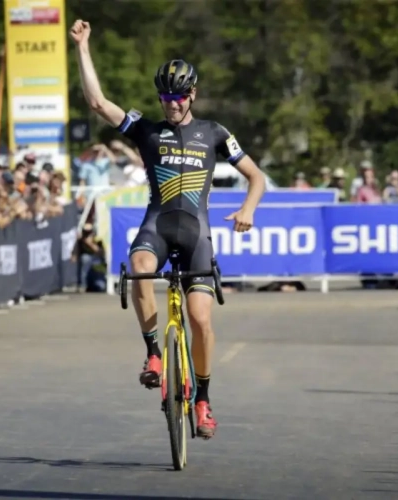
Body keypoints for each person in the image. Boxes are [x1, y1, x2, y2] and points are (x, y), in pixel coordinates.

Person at [70, 19, 266, 440]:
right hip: (157, 224)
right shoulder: (147, 130)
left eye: (178, 97)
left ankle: (203, 399)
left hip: (196, 232)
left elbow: (257, 177)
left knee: (199, 319)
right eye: (165, 97)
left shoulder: (214, 133)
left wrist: (248, 208)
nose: (171, 104)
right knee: (138, 265)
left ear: (192, 94)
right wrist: (83, 47)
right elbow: (100, 103)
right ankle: (154, 354)